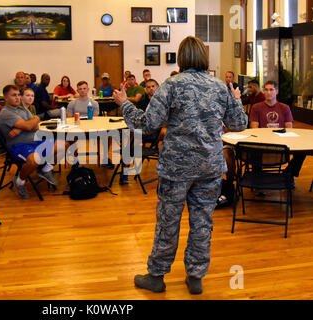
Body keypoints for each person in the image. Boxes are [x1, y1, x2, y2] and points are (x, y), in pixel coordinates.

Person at [113, 36, 247, 295]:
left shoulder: (172, 85)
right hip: (209, 167)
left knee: (168, 221)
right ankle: (196, 276)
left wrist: (125, 104)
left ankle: (157, 276)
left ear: (182, 57)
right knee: (202, 221)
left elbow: (147, 124)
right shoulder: (220, 87)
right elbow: (239, 124)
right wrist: (237, 98)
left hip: (177, 168)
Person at [0, 85, 60, 199]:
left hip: (35, 140)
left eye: (18, 95)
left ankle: (45, 169)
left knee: (64, 144)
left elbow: (35, 127)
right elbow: (31, 124)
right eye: (13, 95)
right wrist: (32, 121)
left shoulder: (22, 109)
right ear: (5, 98)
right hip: (19, 145)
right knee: (34, 160)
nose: (17, 98)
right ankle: (19, 182)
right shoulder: (6, 113)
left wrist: (22, 127)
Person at [250, 80, 305, 178]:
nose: (268, 92)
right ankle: (258, 179)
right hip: (263, 142)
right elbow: (254, 129)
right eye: (266, 90)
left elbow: (289, 129)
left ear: (277, 91)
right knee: (253, 151)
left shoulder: (285, 108)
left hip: (281, 142)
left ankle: (288, 175)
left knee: (302, 152)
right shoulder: (256, 107)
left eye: (271, 90)